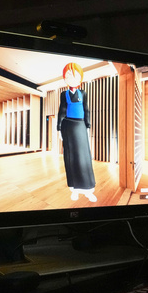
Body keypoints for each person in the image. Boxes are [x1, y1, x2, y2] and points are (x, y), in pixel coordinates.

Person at [57, 61, 98, 202]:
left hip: (80, 126)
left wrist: (87, 126)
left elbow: (86, 111)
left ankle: (88, 189)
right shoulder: (64, 94)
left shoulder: (83, 93)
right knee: (70, 157)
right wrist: (58, 129)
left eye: (74, 75)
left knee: (84, 157)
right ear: (64, 78)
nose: (71, 77)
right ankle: (73, 189)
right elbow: (61, 112)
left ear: (80, 77)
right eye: (68, 75)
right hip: (67, 126)